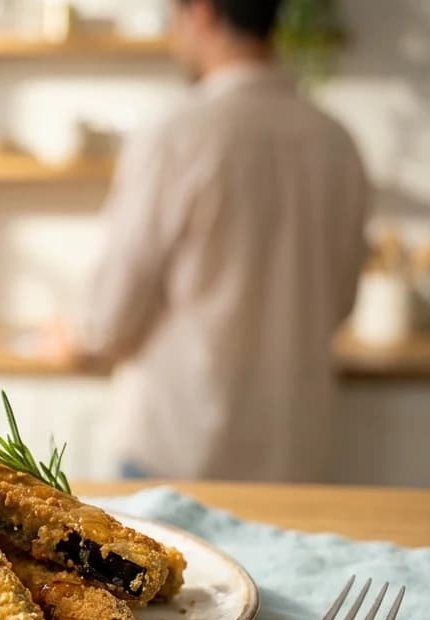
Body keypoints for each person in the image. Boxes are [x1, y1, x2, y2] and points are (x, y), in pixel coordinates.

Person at [52, 0, 369, 481]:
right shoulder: (336, 141)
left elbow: (110, 317)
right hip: (295, 453)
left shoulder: (177, 135)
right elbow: (341, 303)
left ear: (201, 13)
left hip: (176, 453)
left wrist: (75, 337)